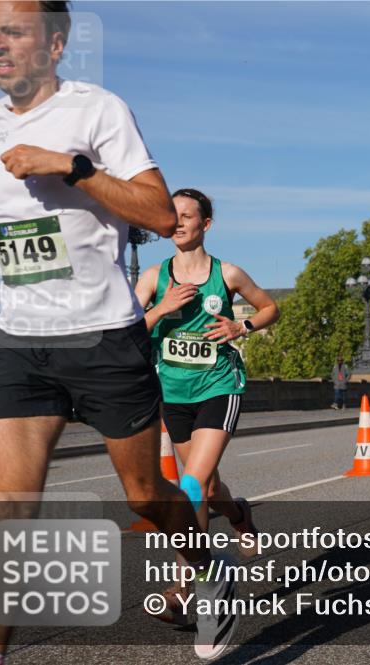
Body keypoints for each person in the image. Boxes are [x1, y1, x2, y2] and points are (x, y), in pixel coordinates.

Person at [0, 2, 237, 660]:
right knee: (5, 507)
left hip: (104, 336)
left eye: (14, 32)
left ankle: (208, 565)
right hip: (22, 338)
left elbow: (162, 214)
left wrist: (74, 166)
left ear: (55, 44)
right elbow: (47, 232)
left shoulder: (99, 110)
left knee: (143, 490)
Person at [134, 188, 279, 625]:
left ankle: (185, 588)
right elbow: (126, 329)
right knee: (211, 490)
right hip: (174, 394)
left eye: (186, 216)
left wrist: (242, 325)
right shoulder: (155, 277)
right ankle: (239, 515)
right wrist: (161, 309)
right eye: (171, 216)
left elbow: (269, 307)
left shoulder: (227, 273)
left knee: (191, 487)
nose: (177, 223)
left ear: (205, 225)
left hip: (220, 386)